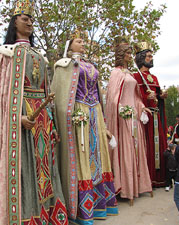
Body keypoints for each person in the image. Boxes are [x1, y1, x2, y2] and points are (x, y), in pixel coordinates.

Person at [0, 1, 68, 224]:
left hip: (41, 122)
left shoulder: (40, 57)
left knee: (44, 173)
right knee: (23, 172)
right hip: (20, 125)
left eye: (32, 19)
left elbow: (46, 92)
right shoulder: (6, 55)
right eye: (25, 19)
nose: (30, 22)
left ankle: (46, 216)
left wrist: (51, 123)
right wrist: (16, 118)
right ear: (15, 23)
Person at [51, 31, 118, 223]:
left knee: (97, 154)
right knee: (81, 155)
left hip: (94, 112)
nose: (82, 44)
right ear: (69, 45)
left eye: (83, 41)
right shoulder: (63, 66)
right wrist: (68, 117)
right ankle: (82, 211)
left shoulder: (90, 65)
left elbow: (97, 91)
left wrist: (103, 122)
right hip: (78, 113)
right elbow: (59, 96)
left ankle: (99, 206)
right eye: (78, 41)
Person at [105, 37, 152, 205]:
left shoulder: (130, 74)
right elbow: (112, 98)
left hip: (134, 120)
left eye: (130, 52)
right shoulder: (115, 73)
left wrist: (141, 107)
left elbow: (135, 97)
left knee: (137, 151)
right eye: (128, 53)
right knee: (126, 152)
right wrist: (122, 111)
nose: (130, 55)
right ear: (121, 55)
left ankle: (138, 186)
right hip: (123, 120)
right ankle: (125, 188)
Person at [133, 42, 168, 187]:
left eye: (151, 56)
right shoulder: (136, 76)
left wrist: (161, 96)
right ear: (141, 58)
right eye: (148, 56)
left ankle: (160, 178)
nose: (151, 58)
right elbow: (134, 97)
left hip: (156, 116)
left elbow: (157, 96)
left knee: (159, 145)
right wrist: (146, 98)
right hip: (144, 118)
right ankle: (148, 179)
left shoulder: (154, 77)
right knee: (147, 146)